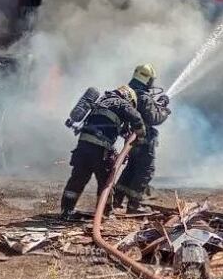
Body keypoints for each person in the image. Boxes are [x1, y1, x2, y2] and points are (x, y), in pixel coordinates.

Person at [60, 80, 145, 220]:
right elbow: (136, 118)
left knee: (77, 180)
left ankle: (66, 211)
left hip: (82, 148)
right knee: (106, 183)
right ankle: (105, 213)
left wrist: (126, 136)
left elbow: (116, 126)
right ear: (129, 98)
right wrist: (141, 135)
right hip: (100, 151)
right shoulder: (122, 103)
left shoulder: (101, 102)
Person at [114, 64, 170, 214]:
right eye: (151, 80)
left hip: (132, 141)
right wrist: (164, 109)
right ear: (147, 79)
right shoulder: (144, 97)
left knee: (131, 169)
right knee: (146, 170)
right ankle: (134, 206)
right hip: (144, 141)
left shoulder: (131, 93)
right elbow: (154, 118)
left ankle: (116, 201)